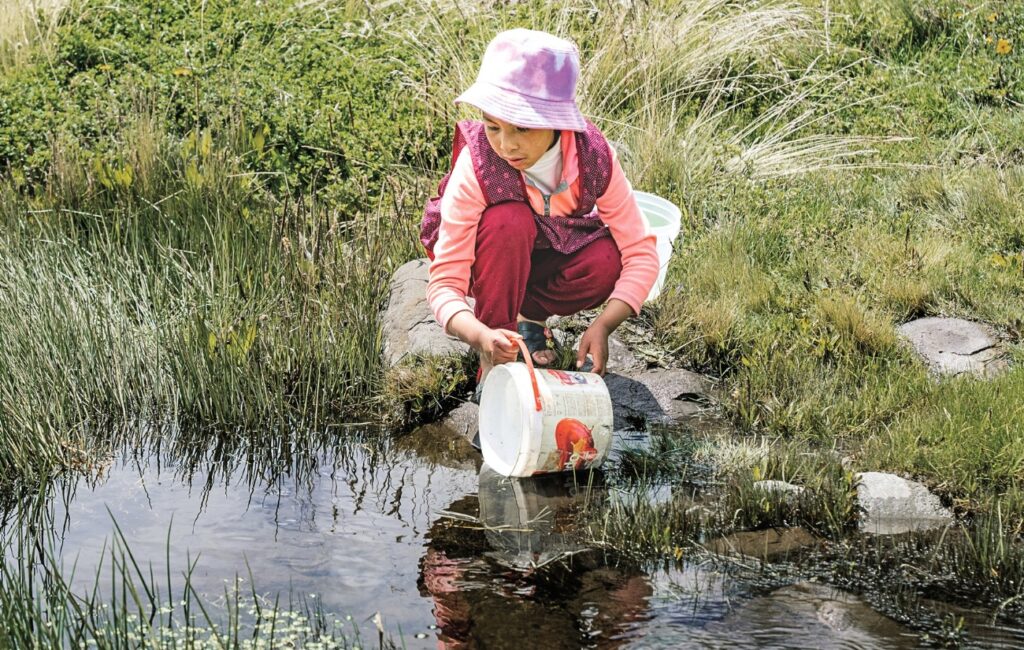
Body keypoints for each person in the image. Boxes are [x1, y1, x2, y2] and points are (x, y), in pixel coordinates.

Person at [420, 29, 659, 396]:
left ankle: (529, 316)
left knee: (606, 259)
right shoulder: (478, 165)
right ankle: (497, 347)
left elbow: (640, 252)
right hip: (490, 263)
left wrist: (604, 325)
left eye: (523, 127)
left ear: (557, 121)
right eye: (493, 126)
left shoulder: (593, 157)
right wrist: (479, 334)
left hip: (545, 259)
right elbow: (445, 282)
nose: (506, 145)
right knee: (508, 219)